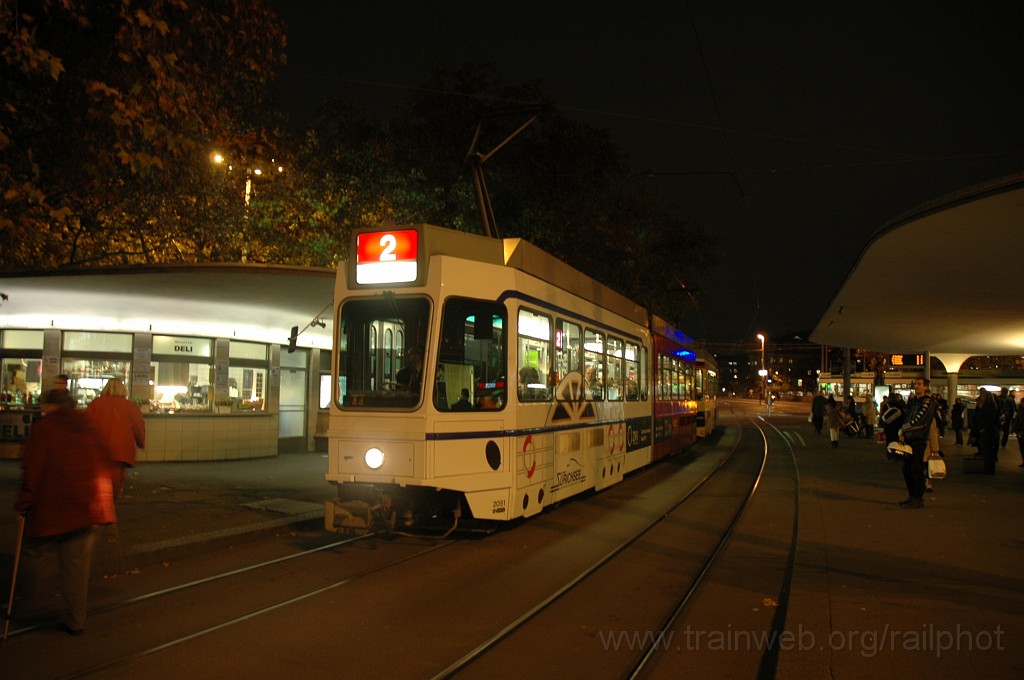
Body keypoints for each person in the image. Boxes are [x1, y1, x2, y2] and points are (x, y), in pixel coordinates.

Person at [14, 389, 116, 634]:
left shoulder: (45, 428)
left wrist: (24, 503)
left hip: (52, 508)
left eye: (45, 405)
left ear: (51, 406)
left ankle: (32, 602)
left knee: (34, 553)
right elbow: (104, 461)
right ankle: (76, 620)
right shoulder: (88, 426)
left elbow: (34, 469)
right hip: (85, 510)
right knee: (77, 569)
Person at [86, 378, 146, 498]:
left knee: (99, 473)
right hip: (121, 447)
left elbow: (86, 425)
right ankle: (113, 497)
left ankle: (100, 496)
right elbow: (138, 425)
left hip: (98, 446)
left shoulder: (95, 404)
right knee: (117, 475)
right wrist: (141, 442)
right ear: (124, 390)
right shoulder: (130, 406)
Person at [896, 377, 937, 508]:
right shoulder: (914, 401)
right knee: (906, 468)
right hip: (910, 437)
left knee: (916, 468)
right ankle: (912, 495)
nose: (917, 387)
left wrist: (904, 428)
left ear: (925, 387)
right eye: (916, 384)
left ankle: (917, 498)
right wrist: (904, 432)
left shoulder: (927, 402)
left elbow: (919, 419)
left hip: (919, 438)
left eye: (920, 384)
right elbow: (908, 416)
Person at [971, 388, 1000, 474]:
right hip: (986, 431)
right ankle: (988, 467)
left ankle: (989, 468)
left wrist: (983, 429)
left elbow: (988, 420)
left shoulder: (988, 407)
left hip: (987, 432)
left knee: (988, 450)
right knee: (987, 450)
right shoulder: (988, 406)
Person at [1011, 397, 1024, 467]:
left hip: (1021, 430)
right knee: (1021, 446)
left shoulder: (1020, 410)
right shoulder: (1020, 410)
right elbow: (1017, 420)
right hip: (1020, 430)